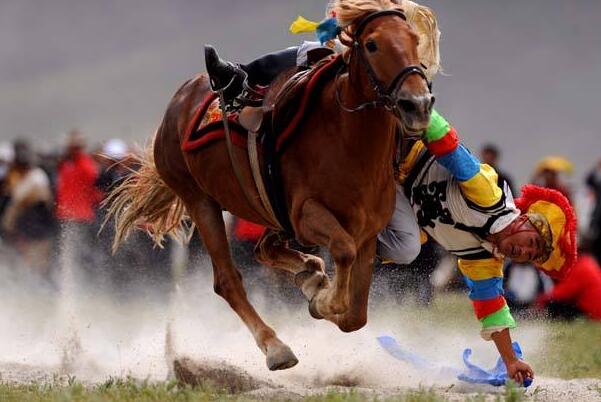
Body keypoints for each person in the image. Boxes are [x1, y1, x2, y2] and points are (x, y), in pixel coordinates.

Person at [205, 0, 545, 383]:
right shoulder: (489, 194)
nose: (524, 252)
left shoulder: (484, 258)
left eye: (531, 256)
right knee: (321, 57)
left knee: (406, 249)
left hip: (396, 193)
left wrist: (510, 359)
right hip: (407, 151)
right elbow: (453, 150)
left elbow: (492, 306)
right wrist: (420, 111)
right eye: (532, 242)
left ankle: (324, 244)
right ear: (527, 220)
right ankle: (241, 76)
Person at [1, 140, 55, 275]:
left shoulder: (37, 177)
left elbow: (43, 202)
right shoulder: (16, 178)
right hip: (22, 227)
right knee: (24, 261)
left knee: (38, 263)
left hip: (37, 228)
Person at [536, 249, 601, 321]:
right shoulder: (588, 262)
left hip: (592, 314)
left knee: (553, 305)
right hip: (593, 311)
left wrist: (539, 300)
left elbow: (562, 293)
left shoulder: (582, 267)